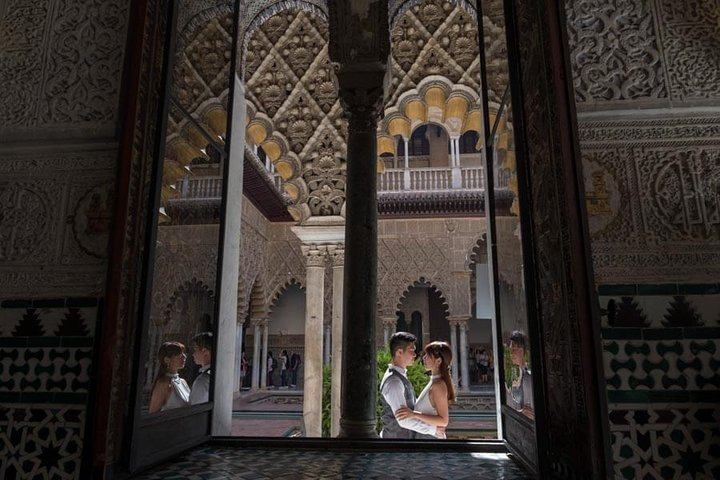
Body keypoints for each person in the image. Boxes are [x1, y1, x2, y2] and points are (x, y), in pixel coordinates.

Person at [379, 331, 442, 439]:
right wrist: (434, 430)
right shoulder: (394, 382)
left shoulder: (400, 376)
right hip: (396, 446)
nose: (415, 354)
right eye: (411, 350)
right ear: (399, 352)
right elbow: (403, 420)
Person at [396, 341, 455, 439]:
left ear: (438, 361)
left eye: (428, 356)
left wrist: (414, 414)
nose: (423, 358)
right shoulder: (434, 381)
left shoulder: (438, 386)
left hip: (431, 440)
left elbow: (443, 421)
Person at [148, 341, 191, 413]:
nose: (184, 356)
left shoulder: (183, 382)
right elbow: (153, 414)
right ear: (167, 360)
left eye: (184, 353)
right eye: (179, 354)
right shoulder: (163, 384)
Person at [189, 332, 213, 404]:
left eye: (195, 349)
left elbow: (195, 410)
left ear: (204, 351)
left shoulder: (202, 381)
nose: (193, 354)